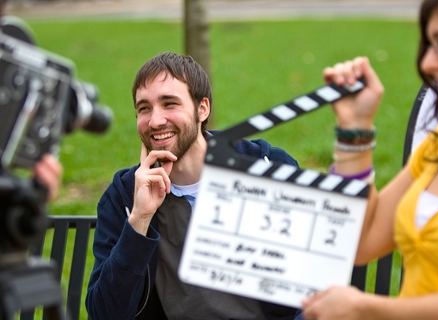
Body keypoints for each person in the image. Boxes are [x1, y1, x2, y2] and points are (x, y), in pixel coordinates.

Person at [85, 52, 301, 320]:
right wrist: (139, 220)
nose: (155, 121)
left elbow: (310, 290)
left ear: (202, 109)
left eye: (170, 104)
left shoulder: (268, 167)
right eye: (144, 108)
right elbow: (104, 315)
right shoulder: (124, 196)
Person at [301, 0, 438, 319]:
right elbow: (362, 240)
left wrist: (364, 308)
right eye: (429, 44)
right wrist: (355, 128)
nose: (427, 63)